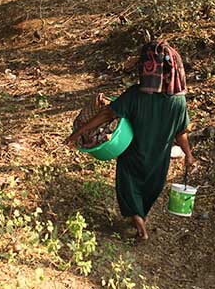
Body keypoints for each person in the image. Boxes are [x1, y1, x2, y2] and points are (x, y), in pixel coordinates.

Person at [65, 40, 196, 241]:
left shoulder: (135, 95)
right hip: (159, 160)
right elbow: (181, 133)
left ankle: (140, 229)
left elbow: (106, 114)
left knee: (128, 188)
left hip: (132, 153)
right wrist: (188, 154)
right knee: (149, 190)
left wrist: (77, 134)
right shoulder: (178, 101)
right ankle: (138, 218)